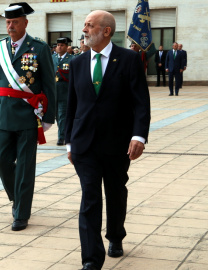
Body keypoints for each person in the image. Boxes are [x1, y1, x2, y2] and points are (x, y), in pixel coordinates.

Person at [65, 10, 151, 270]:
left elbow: (141, 102)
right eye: (84, 25)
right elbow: (71, 105)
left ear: (106, 31)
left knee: (115, 192)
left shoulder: (129, 59)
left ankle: (115, 235)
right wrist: (69, 141)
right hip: (84, 145)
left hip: (117, 144)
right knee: (90, 198)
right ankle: (91, 260)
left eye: (89, 26)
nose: (84, 30)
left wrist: (139, 135)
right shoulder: (78, 62)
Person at [0, 2, 56, 231]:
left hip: (28, 116)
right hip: (4, 114)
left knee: (25, 167)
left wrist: (48, 116)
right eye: (7, 22)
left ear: (25, 23)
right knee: (1, 160)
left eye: (15, 22)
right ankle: (18, 196)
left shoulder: (39, 48)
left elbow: (48, 85)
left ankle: (21, 213)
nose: (10, 26)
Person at [52, 37, 74, 146]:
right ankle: (63, 132)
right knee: (56, 115)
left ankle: (62, 137)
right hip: (54, 90)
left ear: (66, 47)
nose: (59, 47)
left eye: (61, 45)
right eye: (58, 45)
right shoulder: (52, 58)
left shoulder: (72, 59)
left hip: (65, 90)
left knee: (62, 115)